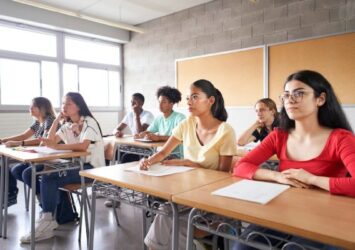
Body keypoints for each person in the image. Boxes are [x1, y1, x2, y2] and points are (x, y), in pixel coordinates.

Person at [233, 70, 355, 250]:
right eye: (286, 95)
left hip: (326, 218)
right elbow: (241, 166)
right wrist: (278, 177)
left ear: (320, 99)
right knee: (242, 246)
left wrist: (312, 179)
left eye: (299, 93)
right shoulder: (279, 135)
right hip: (285, 212)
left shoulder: (341, 138)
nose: (290, 99)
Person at [140, 79, 237, 250]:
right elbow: (163, 152)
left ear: (211, 100)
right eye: (187, 98)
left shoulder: (225, 131)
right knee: (166, 212)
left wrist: (190, 163)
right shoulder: (187, 124)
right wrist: (148, 161)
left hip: (212, 198)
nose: (189, 102)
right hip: (189, 193)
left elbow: (223, 177)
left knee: (175, 219)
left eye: (195, 97)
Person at [20, 92, 105, 243]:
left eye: (68, 104)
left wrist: (58, 147)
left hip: (90, 168)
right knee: (36, 173)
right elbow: (50, 140)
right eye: (63, 103)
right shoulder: (66, 124)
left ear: (78, 106)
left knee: (49, 177)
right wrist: (57, 120)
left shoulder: (88, 121)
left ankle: (48, 220)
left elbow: (83, 145)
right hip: (75, 165)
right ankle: (47, 215)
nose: (64, 107)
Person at [0, 97, 56, 207]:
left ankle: (44, 200)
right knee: (15, 170)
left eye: (33, 106)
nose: (30, 108)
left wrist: (19, 143)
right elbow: (24, 135)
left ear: (42, 108)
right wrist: (4, 140)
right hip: (39, 156)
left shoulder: (49, 120)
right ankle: (40, 195)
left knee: (26, 174)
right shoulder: (37, 122)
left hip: (50, 158)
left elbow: (42, 141)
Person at [135, 86, 186, 157]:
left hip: (176, 156)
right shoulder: (159, 118)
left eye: (163, 102)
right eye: (159, 102)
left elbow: (181, 137)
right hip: (162, 155)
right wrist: (141, 134)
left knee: (149, 161)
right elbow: (149, 131)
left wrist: (159, 138)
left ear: (171, 104)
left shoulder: (180, 117)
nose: (160, 105)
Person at [104, 93, 154, 163]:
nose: (132, 104)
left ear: (141, 103)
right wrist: (117, 132)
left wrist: (136, 115)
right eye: (131, 102)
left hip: (144, 147)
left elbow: (140, 133)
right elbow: (117, 129)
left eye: (135, 102)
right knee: (108, 150)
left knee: (125, 157)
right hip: (132, 145)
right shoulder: (130, 114)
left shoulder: (148, 115)